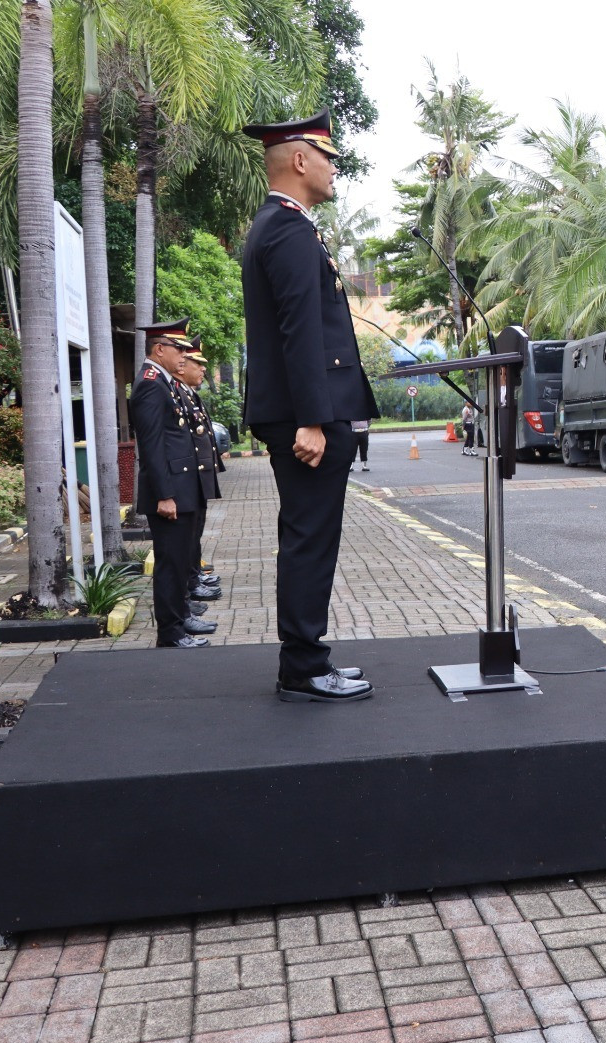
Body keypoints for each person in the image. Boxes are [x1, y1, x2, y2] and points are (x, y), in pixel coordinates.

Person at [241, 108, 377, 703]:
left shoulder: (280, 225)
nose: (333, 169)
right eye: (328, 157)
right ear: (300, 160)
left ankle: (305, 659)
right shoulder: (288, 230)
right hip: (307, 417)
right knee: (309, 539)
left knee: (307, 535)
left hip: (302, 411)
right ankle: (302, 665)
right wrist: (314, 420)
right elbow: (300, 332)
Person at [131, 321, 216, 648]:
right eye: (178, 348)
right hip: (170, 493)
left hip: (182, 489)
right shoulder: (151, 384)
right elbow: (152, 447)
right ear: (159, 349)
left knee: (180, 561)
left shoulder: (164, 383)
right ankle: (170, 632)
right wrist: (165, 495)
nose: (184, 355)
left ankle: (181, 620)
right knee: (170, 564)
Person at [177, 338, 223, 616]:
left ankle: (194, 578)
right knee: (188, 536)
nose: (203, 369)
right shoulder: (177, 393)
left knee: (195, 531)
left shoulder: (188, 393)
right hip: (188, 478)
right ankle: (191, 582)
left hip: (198, 476)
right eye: (199, 364)